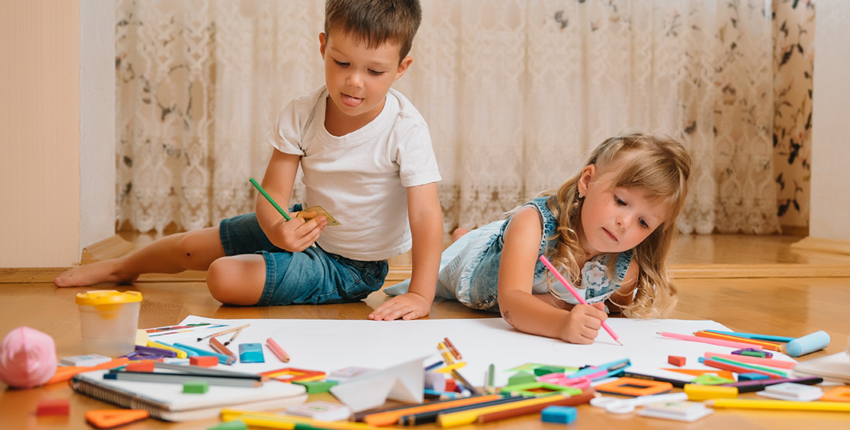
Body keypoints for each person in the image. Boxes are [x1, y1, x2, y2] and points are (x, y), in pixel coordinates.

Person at [56, 0, 444, 321]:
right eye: (342, 63)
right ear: (323, 47)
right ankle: (121, 267)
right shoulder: (302, 113)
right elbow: (272, 191)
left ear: (401, 69)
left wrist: (421, 295)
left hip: (351, 267)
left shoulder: (406, 129)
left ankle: (274, 262)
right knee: (192, 245)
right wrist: (278, 229)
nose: (354, 81)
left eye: (374, 71)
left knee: (223, 277)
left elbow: (426, 216)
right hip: (302, 223)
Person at [384, 133, 691, 343]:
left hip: (510, 247)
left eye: (643, 222)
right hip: (474, 270)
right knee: (464, 249)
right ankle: (464, 237)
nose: (625, 223)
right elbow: (512, 304)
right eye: (621, 201)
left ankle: (468, 233)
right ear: (587, 182)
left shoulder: (624, 272)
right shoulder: (532, 224)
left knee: (489, 238)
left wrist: (596, 315)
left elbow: (613, 314)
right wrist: (561, 324)